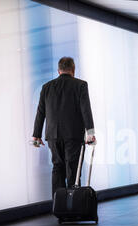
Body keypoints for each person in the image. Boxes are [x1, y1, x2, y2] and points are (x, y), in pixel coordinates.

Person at [32, 57, 96, 198]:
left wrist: (36, 135)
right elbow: (86, 110)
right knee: (73, 168)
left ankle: (58, 204)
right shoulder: (80, 85)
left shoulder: (46, 87)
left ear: (58, 70)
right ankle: (73, 204)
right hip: (73, 135)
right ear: (73, 70)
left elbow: (40, 112)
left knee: (57, 167)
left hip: (53, 135)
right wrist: (90, 133)